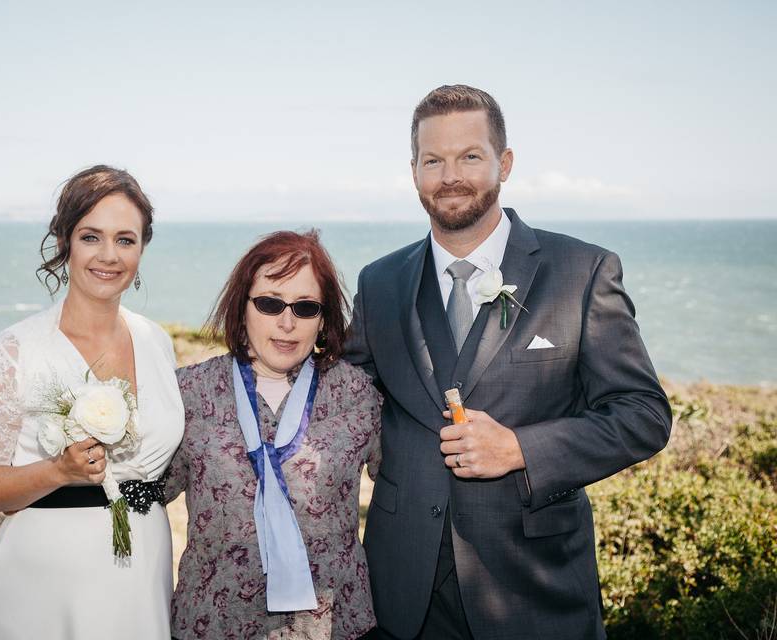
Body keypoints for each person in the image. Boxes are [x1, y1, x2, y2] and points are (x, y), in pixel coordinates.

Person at [344, 85, 673, 640]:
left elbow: (643, 414)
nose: (451, 175)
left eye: (470, 156)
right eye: (434, 160)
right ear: (414, 171)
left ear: (505, 163)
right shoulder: (379, 283)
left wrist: (521, 449)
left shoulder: (583, 271)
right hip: (402, 595)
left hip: (534, 594)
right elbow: (349, 401)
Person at [0, 165, 184, 639]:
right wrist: (58, 471)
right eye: (91, 236)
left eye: (125, 239)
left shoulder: (156, 341)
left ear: (142, 248)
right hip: (44, 581)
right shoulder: (14, 350)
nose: (108, 255)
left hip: (143, 571)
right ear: (65, 242)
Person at [166, 230, 382, 639]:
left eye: (305, 307)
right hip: (212, 621)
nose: (286, 323)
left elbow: (406, 484)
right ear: (242, 307)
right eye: (269, 303)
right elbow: (144, 493)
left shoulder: (356, 393)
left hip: (330, 626)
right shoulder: (188, 392)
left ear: (323, 319)